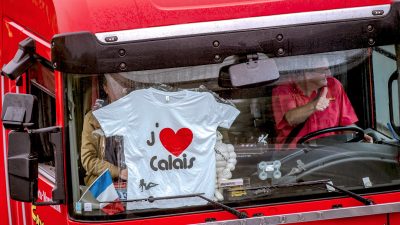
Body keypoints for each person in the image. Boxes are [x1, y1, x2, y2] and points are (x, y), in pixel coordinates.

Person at [272, 61, 372, 146]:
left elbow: (346, 122)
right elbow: (290, 118)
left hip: (329, 151)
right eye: (323, 70)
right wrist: (313, 106)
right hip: (296, 154)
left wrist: (359, 135)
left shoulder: (334, 85)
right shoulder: (283, 90)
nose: (329, 74)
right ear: (307, 74)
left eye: (328, 69)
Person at [81, 74, 130, 185]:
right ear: (106, 88)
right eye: (114, 85)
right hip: (103, 184)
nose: (120, 89)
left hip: (136, 183)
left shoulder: (136, 115)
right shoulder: (93, 119)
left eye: (122, 84)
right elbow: (88, 160)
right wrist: (119, 172)